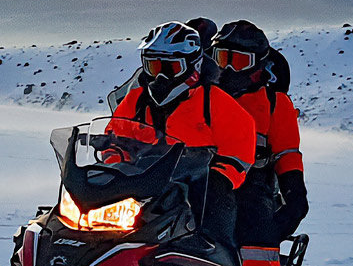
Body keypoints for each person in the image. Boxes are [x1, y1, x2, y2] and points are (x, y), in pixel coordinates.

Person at [108, 21, 255, 250]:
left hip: (196, 189)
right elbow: (115, 136)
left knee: (215, 212)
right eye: (154, 67)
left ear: (192, 66)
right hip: (143, 182)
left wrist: (218, 178)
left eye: (170, 68)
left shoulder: (215, 102)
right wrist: (114, 164)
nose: (161, 78)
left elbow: (239, 151)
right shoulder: (136, 100)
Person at [209, 20, 309, 266]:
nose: (227, 68)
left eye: (238, 61)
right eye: (222, 58)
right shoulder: (202, 99)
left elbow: (287, 152)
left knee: (256, 234)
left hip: (251, 184)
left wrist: (295, 195)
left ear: (258, 66)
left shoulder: (274, 104)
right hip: (202, 179)